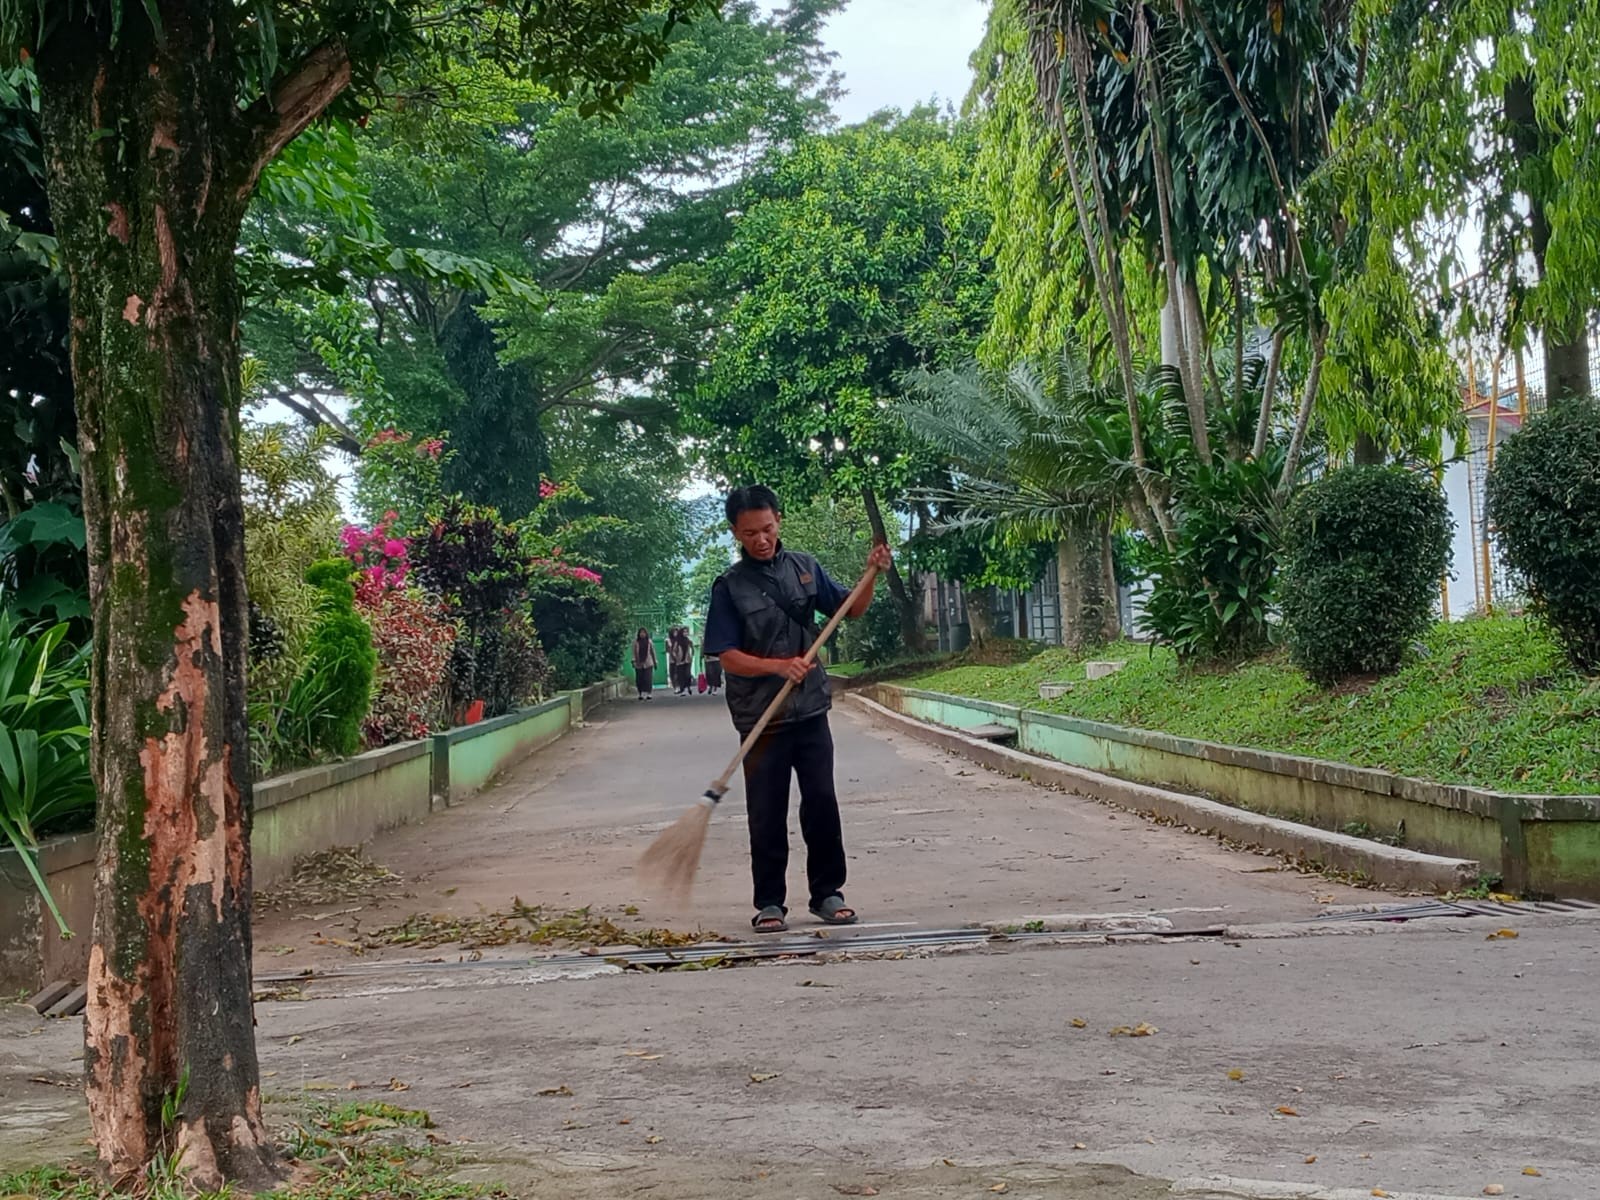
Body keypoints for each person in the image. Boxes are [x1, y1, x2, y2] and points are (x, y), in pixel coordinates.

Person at [702, 484, 892, 934]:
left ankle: (828, 893)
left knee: (822, 801)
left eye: (767, 529)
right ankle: (769, 902)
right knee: (766, 810)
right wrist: (776, 666)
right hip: (760, 717)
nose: (761, 539)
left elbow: (852, 609)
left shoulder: (805, 569)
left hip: (809, 710)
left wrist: (872, 574)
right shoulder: (729, 587)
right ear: (736, 533)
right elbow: (725, 654)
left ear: (778, 521)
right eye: (750, 533)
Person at [631, 628, 657, 701]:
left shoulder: (649, 642)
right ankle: (640, 693)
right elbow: (633, 652)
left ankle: (649, 693)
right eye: (641, 633)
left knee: (648, 678)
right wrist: (633, 661)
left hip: (648, 663)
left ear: (646, 634)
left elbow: (653, 652)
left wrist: (655, 662)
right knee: (639, 679)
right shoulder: (635, 642)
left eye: (644, 633)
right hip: (638, 663)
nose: (642, 634)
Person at [668, 627, 695, 695]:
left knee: (687, 674)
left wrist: (691, 655)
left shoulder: (688, 641)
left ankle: (688, 687)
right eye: (684, 632)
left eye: (686, 632)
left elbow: (692, 649)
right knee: (681, 675)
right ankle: (682, 688)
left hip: (687, 660)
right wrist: (676, 657)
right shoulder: (678, 641)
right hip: (680, 661)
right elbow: (673, 651)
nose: (685, 633)